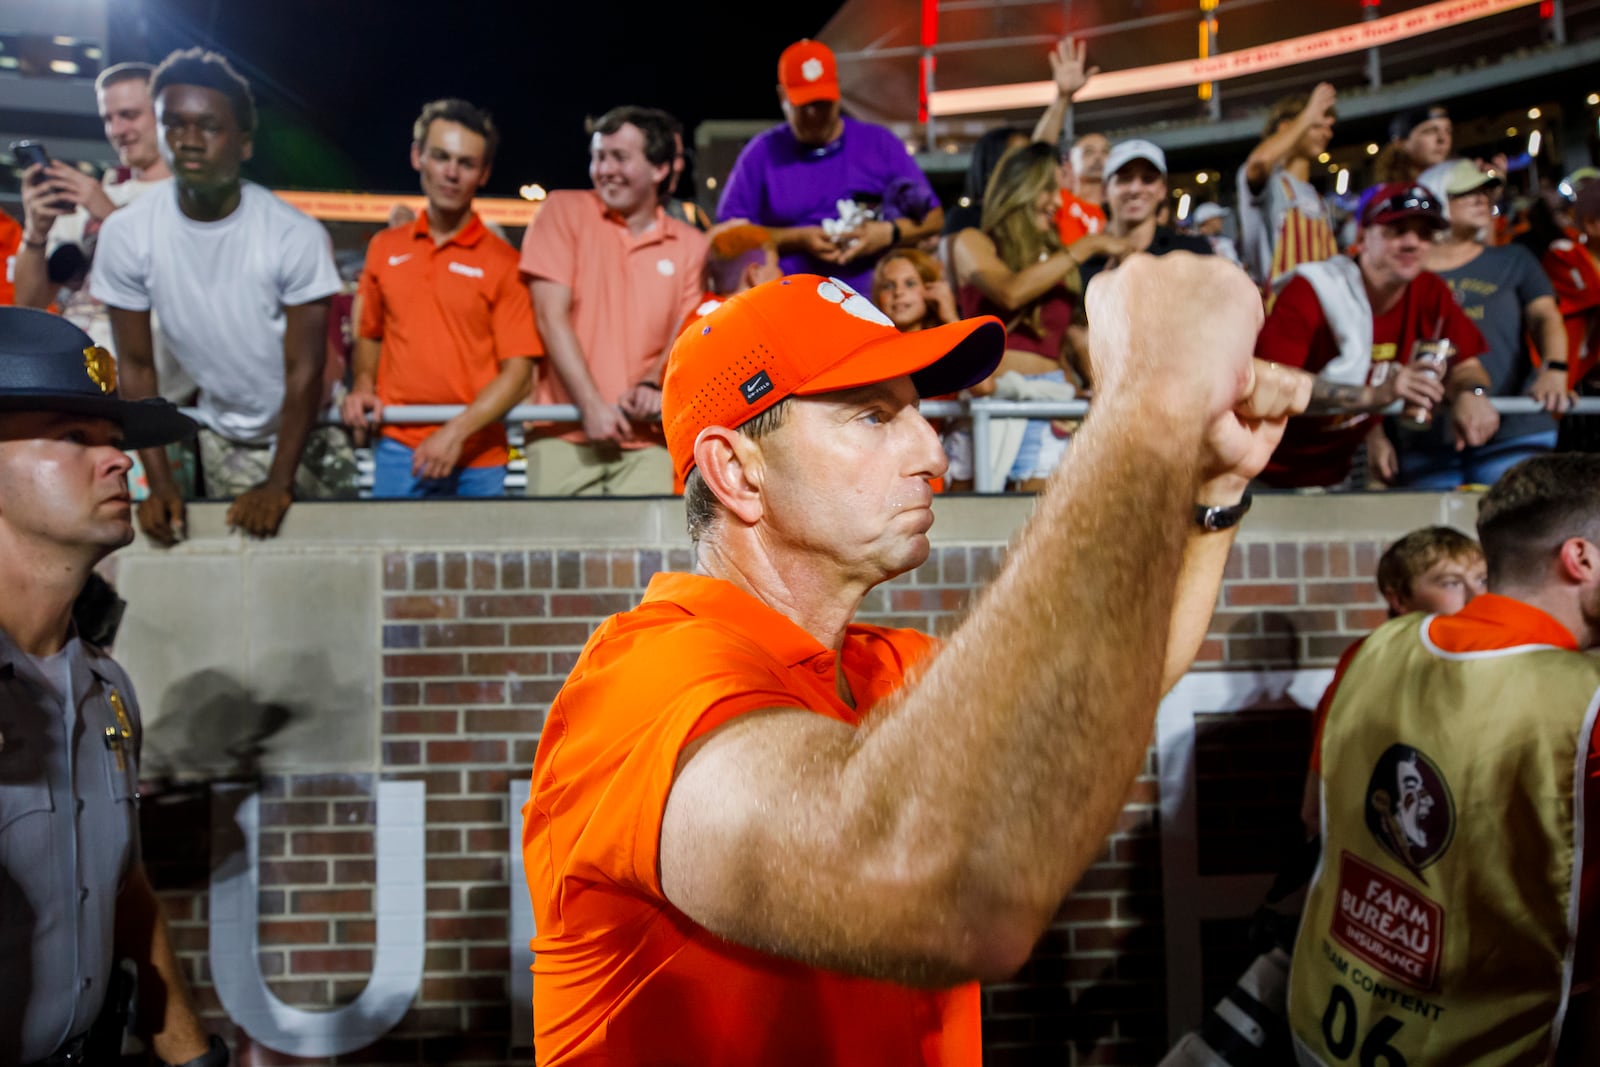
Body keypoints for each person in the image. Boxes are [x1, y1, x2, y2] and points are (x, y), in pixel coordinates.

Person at [521, 258, 1315, 1064]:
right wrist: (1147, 403)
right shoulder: (641, 683)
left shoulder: (881, 667)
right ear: (736, 470)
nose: (934, 451)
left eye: (920, 412)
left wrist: (1210, 487)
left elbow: (1114, 680)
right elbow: (930, 886)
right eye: (872, 416)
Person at [1289, 454, 1600, 1065]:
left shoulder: (1377, 648)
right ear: (1581, 558)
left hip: (1324, 1022)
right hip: (1501, 1046)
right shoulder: (1586, 702)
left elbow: (1313, 813)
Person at [0, 308, 225, 1067]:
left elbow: (123, 889)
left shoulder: (106, 686)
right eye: (74, 437)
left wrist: (194, 1058)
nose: (119, 461)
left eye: (115, 441)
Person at [92, 48, 352, 541]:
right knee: (235, 578)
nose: (189, 141)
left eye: (208, 126)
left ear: (245, 142)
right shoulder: (128, 234)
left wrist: (279, 482)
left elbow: (305, 369)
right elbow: (136, 367)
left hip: (312, 432)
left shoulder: (291, 233)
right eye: (174, 124)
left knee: (328, 577)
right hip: (223, 431)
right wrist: (160, 484)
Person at [341, 98, 539, 498]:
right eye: (441, 157)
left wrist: (456, 432)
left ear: (483, 173)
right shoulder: (384, 248)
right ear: (418, 157)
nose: (451, 173)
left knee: (481, 564)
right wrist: (363, 384)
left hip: (479, 456)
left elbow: (519, 375)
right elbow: (370, 333)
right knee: (394, 560)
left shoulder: (504, 263)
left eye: (466, 163)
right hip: (399, 447)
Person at [519, 105, 707, 496]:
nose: (605, 169)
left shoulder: (692, 245)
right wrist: (590, 405)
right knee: (556, 558)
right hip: (562, 433)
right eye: (598, 157)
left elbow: (685, 334)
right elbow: (549, 316)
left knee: (645, 559)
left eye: (619, 157)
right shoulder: (561, 211)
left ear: (658, 169)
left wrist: (653, 386)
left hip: (649, 442)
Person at [1254, 182, 1493, 490]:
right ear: (1362, 237)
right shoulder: (1314, 289)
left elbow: (1468, 364)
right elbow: (1269, 384)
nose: (1413, 243)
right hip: (1261, 469)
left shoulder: (1429, 291)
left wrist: (1470, 394)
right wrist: (1376, 396)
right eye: (1397, 230)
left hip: (1337, 472)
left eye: (1424, 234)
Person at [1372, 160, 1572, 488]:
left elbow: (1545, 316)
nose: (1481, 199)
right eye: (1465, 192)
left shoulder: (1513, 259)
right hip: (1424, 435)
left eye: (1484, 192)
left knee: (1514, 533)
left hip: (1515, 427)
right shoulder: (1402, 270)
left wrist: (1555, 368)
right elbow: (1371, 354)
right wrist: (1375, 435)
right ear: (1435, 197)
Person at [13, 63, 197, 410]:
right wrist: (35, 234)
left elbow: (187, 288)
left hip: (146, 399)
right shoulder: (85, 200)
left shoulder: (192, 199)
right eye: (108, 118)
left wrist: (109, 215)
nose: (117, 130)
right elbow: (30, 304)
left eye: (129, 115)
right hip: (72, 387)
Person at [950, 143, 1127, 490]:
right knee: (974, 529)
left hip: (1050, 405)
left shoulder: (1058, 255)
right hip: (989, 399)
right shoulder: (973, 241)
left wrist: (1080, 382)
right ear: (1021, 188)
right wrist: (1086, 247)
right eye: (1049, 189)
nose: (1059, 203)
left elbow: (1060, 336)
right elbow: (1010, 292)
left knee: (1043, 533)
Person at [716, 39, 945, 295]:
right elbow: (728, 236)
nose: (814, 115)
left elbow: (934, 218)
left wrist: (886, 233)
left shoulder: (878, 143)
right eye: (805, 105)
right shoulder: (762, 152)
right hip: (791, 302)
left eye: (822, 103)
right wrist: (799, 238)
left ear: (838, 93)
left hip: (873, 303)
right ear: (783, 97)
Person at [1236, 85, 1339, 290]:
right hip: (1279, 309)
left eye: (1329, 127)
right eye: (1317, 125)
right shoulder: (1270, 182)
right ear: (1286, 127)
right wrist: (1309, 113)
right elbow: (1259, 162)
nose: (1327, 134)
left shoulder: (1318, 199)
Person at [1076, 140, 1211, 292]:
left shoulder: (1193, 251)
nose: (1135, 189)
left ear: (1162, 190)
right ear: (1104, 191)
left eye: (1148, 179)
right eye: (1125, 178)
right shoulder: (1086, 263)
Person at [871, 247, 957, 333]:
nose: (898, 292)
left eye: (910, 284)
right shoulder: (869, 342)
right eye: (888, 286)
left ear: (931, 289)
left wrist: (950, 318)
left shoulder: (944, 337)